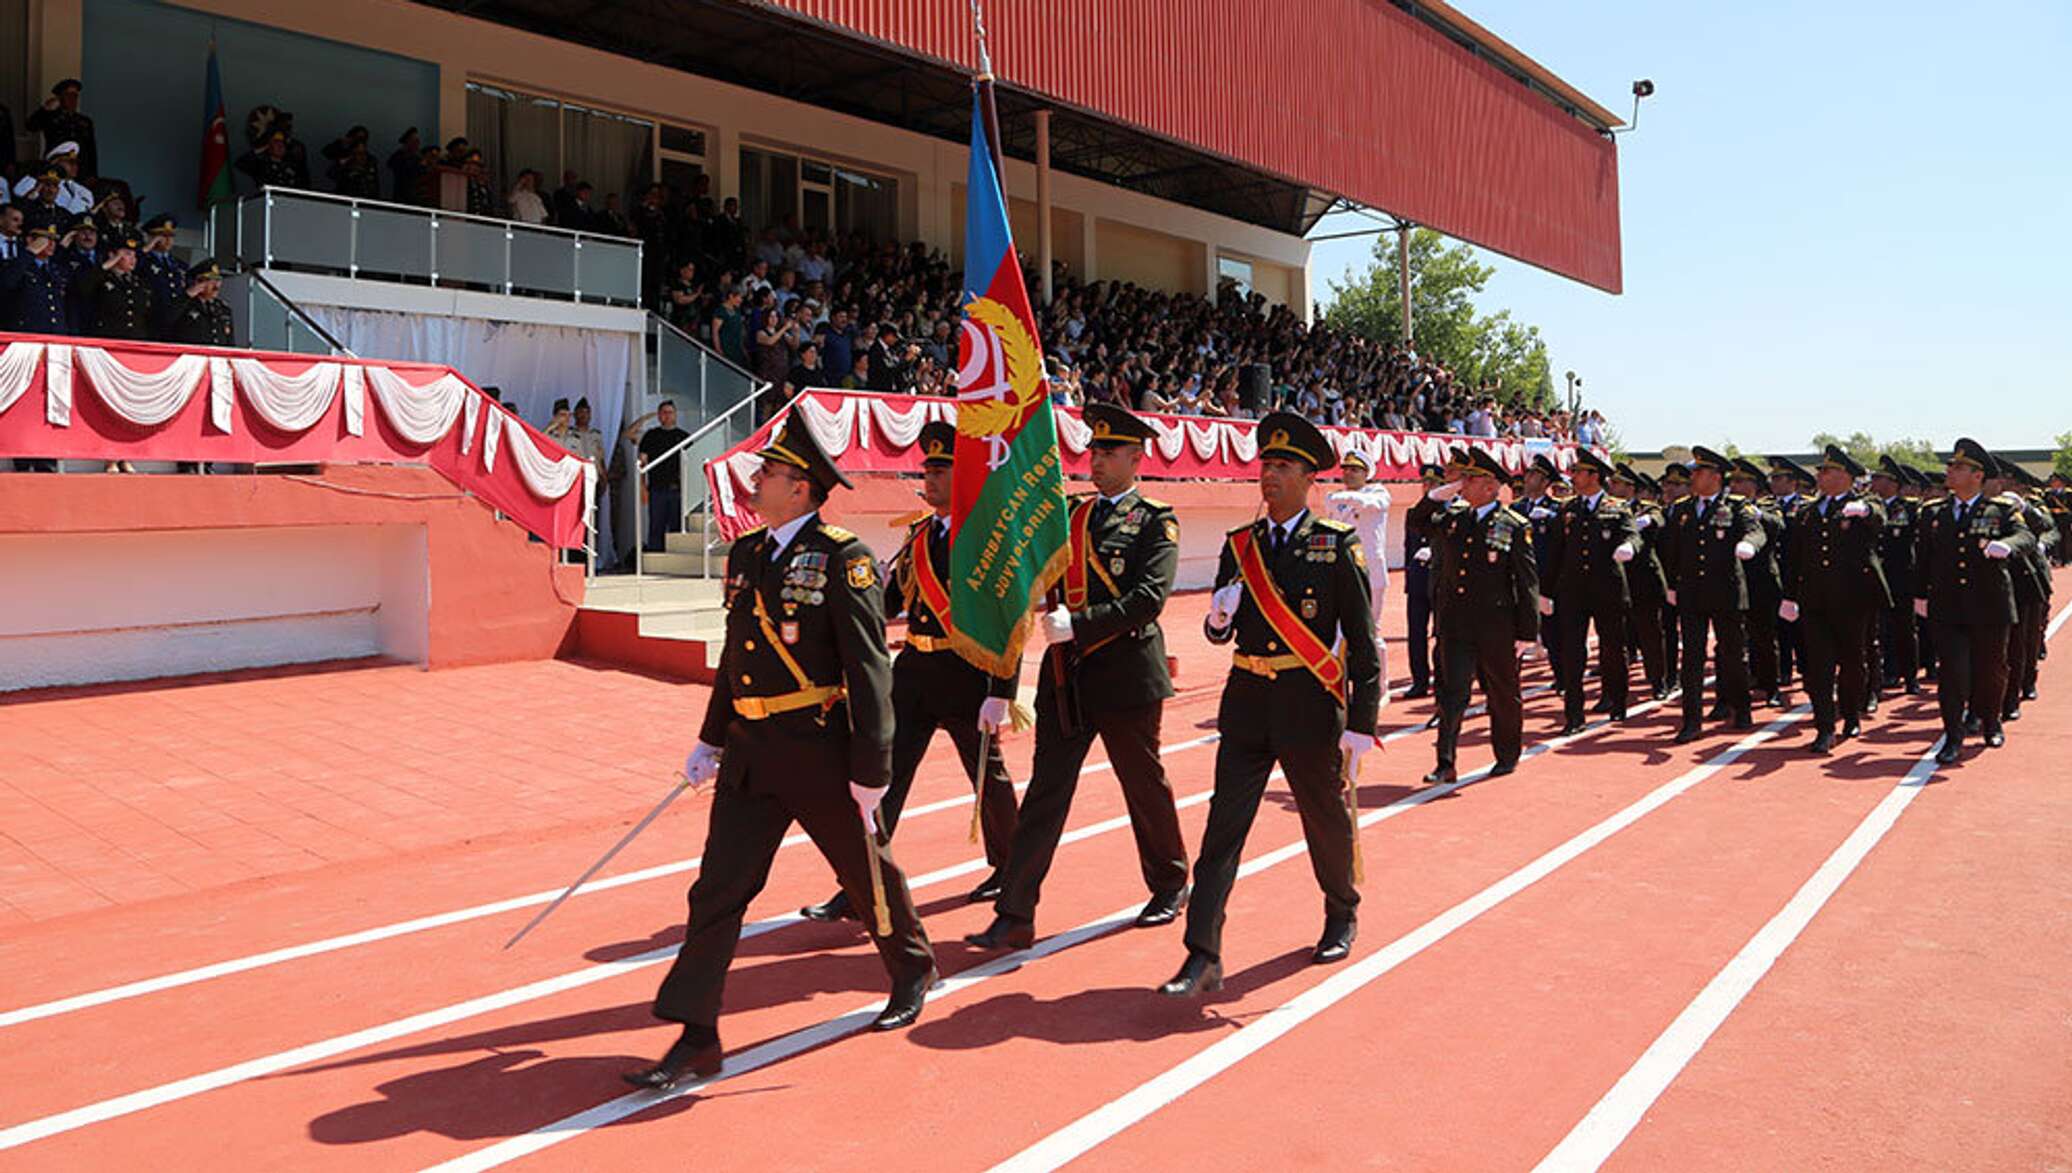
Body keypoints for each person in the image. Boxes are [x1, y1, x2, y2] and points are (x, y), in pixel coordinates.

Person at [626, 416, 937, 1090]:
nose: (755, 480)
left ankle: (911, 965)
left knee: (864, 870)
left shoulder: (842, 556)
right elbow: (734, 658)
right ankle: (696, 1032)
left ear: (800, 489)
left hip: (819, 748)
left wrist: (872, 769)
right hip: (750, 749)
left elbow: (868, 666)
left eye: (767, 473)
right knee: (717, 889)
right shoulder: (746, 554)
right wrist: (710, 736)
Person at [1162, 412, 1379, 996]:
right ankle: (1202, 952)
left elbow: (1363, 641)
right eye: (1266, 465)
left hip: (1308, 705)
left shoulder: (1336, 546)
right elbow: (1220, 634)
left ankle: (1341, 911)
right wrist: (1216, 619)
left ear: (1310, 478)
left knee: (1324, 818)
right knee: (1221, 830)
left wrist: (1362, 723)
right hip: (1247, 703)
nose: (1270, 475)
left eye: (1283, 466)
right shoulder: (1241, 546)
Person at [966, 404, 1189, 951]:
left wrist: (1080, 625)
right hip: (1068, 678)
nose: (1098, 460)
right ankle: (1015, 912)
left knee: (1142, 785)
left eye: (1110, 452)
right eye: (1094, 450)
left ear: (1137, 459)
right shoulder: (1068, 515)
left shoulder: (1155, 520)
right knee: (1045, 793)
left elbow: (1148, 599)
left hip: (1126, 676)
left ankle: (1170, 883)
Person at [800, 422, 1021, 923]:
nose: (930, 480)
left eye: (940, 471)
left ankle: (1011, 870)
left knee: (988, 779)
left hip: (969, 673)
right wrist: (867, 594)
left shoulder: (985, 537)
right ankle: (860, 882)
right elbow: (893, 603)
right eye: (927, 471)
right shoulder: (919, 535)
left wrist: (1003, 690)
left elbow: (1011, 615)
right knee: (883, 776)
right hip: (916, 672)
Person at [1422, 446, 1539, 783]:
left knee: (1502, 693)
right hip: (1456, 623)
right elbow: (1419, 522)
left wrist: (1527, 632)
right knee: (1451, 692)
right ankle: (1445, 762)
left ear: (1490, 486)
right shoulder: (1455, 518)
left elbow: (1526, 580)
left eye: (1470, 479)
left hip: (1496, 625)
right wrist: (1438, 495)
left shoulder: (1512, 524)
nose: (1464, 483)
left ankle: (1506, 754)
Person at [1918, 439, 2035, 765]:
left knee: (1991, 670)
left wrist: (2008, 546)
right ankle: (1953, 736)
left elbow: (2025, 536)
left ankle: (1991, 721)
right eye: (1951, 466)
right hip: (1948, 607)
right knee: (1952, 674)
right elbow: (1923, 559)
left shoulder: (2000, 510)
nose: (1950, 472)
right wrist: (1918, 596)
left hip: (1990, 605)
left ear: (1977, 475)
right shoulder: (1935, 513)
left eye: (1958, 467)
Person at [1778, 445, 1889, 754]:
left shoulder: (1865, 504)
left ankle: (1851, 714)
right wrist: (1789, 597)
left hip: (1854, 600)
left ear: (1847, 477)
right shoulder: (1808, 511)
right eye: (1821, 471)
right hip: (1816, 600)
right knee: (1818, 667)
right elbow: (1795, 557)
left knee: (1853, 663)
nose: (1821, 476)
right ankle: (1824, 727)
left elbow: (1880, 517)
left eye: (1828, 471)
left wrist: (1864, 511)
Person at [1660, 446, 1767, 744]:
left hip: (1726, 591)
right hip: (1692, 592)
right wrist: (1670, 584)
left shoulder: (1735, 506)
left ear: (1716, 476)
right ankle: (1691, 720)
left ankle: (1741, 706)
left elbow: (1756, 530)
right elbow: (1671, 550)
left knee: (1732, 654)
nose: (1693, 476)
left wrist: (1749, 544)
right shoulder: (1682, 509)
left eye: (1699, 471)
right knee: (1692, 659)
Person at [1542, 449, 1642, 732]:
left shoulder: (1618, 507)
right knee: (1572, 652)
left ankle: (1617, 701)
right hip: (1573, 591)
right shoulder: (1567, 509)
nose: (1573, 476)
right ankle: (1574, 714)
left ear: (1594, 476)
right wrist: (1545, 592)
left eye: (1578, 471)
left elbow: (1632, 534)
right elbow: (1555, 553)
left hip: (1607, 589)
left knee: (1612, 649)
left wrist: (1629, 547)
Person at [1324, 449, 1393, 671]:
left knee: (1371, 630)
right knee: (1339, 631)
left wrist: (1343, 497)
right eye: (1345, 469)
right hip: (1344, 570)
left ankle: (1379, 686)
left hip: (1370, 571)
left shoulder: (1378, 492)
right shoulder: (1335, 497)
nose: (1348, 474)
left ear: (1366, 473)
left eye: (1355, 470)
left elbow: (1371, 504)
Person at [1729, 458, 1789, 710]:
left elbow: (1778, 525)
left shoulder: (1768, 505)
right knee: (1733, 640)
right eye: (1732, 481)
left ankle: (1772, 686)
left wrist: (1758, 514)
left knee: (1764, 637)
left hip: (1761, 579)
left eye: (1740, 481)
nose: (1733, 485)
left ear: (1754, 485)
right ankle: (1734, 690)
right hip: (1733, 579)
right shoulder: (1726, 508)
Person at [1399, 463, 1453, 699]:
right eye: (1425, 483)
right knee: (1416, 634)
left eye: (1434, 484)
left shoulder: (1452, 513)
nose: (1428, 487)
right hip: (1418, 581)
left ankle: (1444, 680)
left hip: (1441, 580)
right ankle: (1419, 680)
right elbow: (1407, 548)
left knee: (1442, 633)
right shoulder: (1414, 512)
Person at [626, 399, 690, 553]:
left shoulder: (683, 436)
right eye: (663, 413)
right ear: (659, 415)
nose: (667, 416)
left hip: (678, 489)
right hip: (656, 489)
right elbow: (631, 437)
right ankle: (654, 559)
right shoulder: (651, 435)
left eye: (670, 412)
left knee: (676, 527)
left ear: (675, 415)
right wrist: (642, 487)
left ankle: (675, 559)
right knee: (656, 527)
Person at [71, 230, 155, 339]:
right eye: (127, 254)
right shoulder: (101, 277)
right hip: (107, 338)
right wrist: (108, 264)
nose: (133, 259)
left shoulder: (138, 282)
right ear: (112, 254)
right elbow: (81, 287)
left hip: (135, 339)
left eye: (134, 255)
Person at [0, 223, 70, 334]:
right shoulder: (18, 264)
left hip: (56, 334)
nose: (51, 244)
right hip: (27, 335)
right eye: (46, 239)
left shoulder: (57, 269)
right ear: (30, 240)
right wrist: (30, 252)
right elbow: (7, 283)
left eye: (54, 240)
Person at [27, 80, 96, 178]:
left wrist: (93, 174)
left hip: (81, 170)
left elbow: (91, 150)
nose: (72, 99)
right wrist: (45, 110)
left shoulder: (84, 121)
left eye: (75, 96)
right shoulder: (50, 117)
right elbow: (31, 126)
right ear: (60, 97)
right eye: (68, 95)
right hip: (56, 167)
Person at [160, 259, 234, 346]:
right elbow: (164, 321)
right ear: (198, 282)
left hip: (216, 358)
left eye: (218, 280)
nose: (216, 286)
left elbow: (230, 343)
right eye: (210, 281)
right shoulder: (184, 304)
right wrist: (188, 295)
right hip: (189, 357)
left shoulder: (223, 309)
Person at [388, 128, 425, 203]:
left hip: (416, 196)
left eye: (417, 141)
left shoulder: (418, 158)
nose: (417, 143)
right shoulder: (398, 156)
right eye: (413, 141)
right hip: (402, 196)